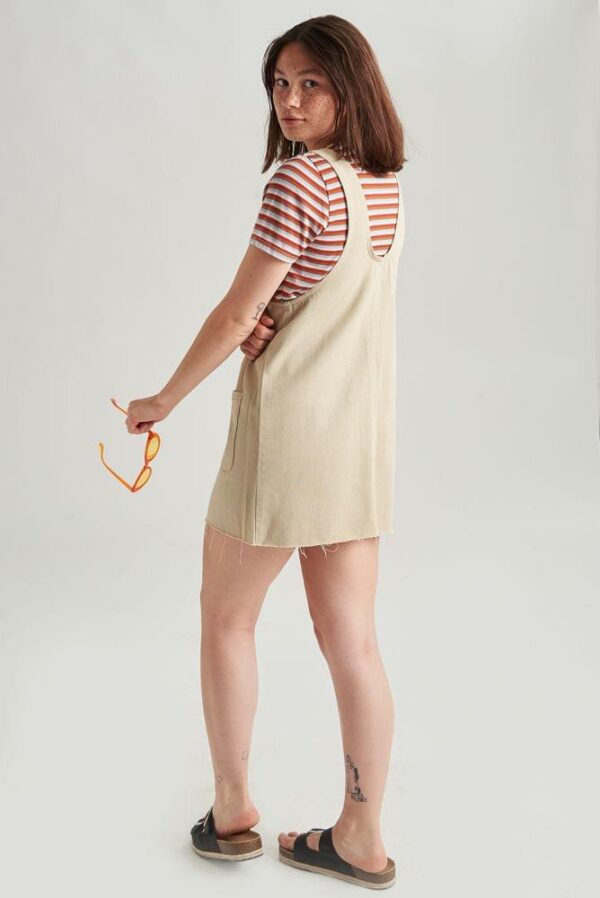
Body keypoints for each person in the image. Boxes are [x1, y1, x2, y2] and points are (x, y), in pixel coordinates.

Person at [125, 14, 406, 890]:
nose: (290, 100)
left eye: (311, 83)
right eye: (280, 83)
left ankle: (233, 810)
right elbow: (317, 299)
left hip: (285, 442)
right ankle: (361, 835)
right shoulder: (382, 183)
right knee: (354, 644)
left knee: (226, 619)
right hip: (356, 442)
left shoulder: (299, 182)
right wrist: (274, 321)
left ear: (350, 86)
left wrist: (162, 400)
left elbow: (234, 314)